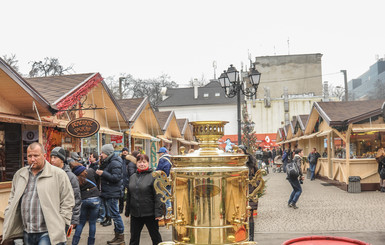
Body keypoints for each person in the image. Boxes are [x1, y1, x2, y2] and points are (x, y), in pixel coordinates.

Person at [2, 142, 75, 245]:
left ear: (44, 156)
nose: (32, 159)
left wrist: (63, 222)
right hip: (27, 231)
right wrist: (8, 212)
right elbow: (12, 198)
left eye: (36, 156)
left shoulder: (58, 174)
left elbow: (68, 200)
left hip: (48, 231)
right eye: (29, 156)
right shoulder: (20, 175)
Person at [125, 154, 163, 245]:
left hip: (150, 214)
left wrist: (158, 213)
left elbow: (158, 196)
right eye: (139, 162)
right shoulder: (132, 177)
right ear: (136, 163)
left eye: (144, 162)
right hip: (135, 214)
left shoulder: (154, 176)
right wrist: (127, 211)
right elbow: (129, 195)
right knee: (134, 238)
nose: (142, 164)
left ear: (148, 163)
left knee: (155, 237)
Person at [96, 144, 125, 245]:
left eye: (102, 153)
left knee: (115, 215)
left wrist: (103, 173)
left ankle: (120, 236)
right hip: (109, 191)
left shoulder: (115, 162)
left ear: (107, 153)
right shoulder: (109, 161)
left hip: (113, 192)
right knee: (114, 214)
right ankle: (117, 236)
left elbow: (116, 177)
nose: (101, 154)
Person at [50, 147, 82, 228]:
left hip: (64, 217)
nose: (52, 160)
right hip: (50, 216)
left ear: (62, 159)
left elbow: (76, 198)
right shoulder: (49, 174)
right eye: (51, 157)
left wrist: (74, 220)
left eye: (55, 157)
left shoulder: (70, 176)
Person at [71, 162, 101, 245]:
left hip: (83, 200)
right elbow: (98, 180)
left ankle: (74, 243)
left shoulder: (76, 179)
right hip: (95, 199)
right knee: (92, 223)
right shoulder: (91, 171)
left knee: (81, 223)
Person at [238, 145, 258, 241]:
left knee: (249, 215)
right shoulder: (234, 163)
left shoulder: (251, 164)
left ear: (245, 152)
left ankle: (251, 238)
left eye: (240, 151)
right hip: (238, 192)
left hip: (250, 192)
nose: (238, 153)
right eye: (237, 151)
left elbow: (258, 177)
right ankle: (241, 235)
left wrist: (255, 188)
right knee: (239, 215)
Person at [155, 147, 172, 217]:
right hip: (170, 180)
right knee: (168, 197)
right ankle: (169, 214)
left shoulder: (162, 159)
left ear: (162, 153)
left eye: (159, 153)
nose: (159, 154)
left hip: (164, 181)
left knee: (163, 198)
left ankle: (164, 215)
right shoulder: (170, 158)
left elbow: (159, 170)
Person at [119, 147, 130, 214]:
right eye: (124, 151)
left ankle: (128, 209)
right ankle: (121, 209)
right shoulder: (120, 159)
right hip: (122, 179)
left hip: (128, 179)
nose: (125, 152)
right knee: (121, 195)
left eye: (126, 151)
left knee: (129, 195)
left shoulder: (130, 160)